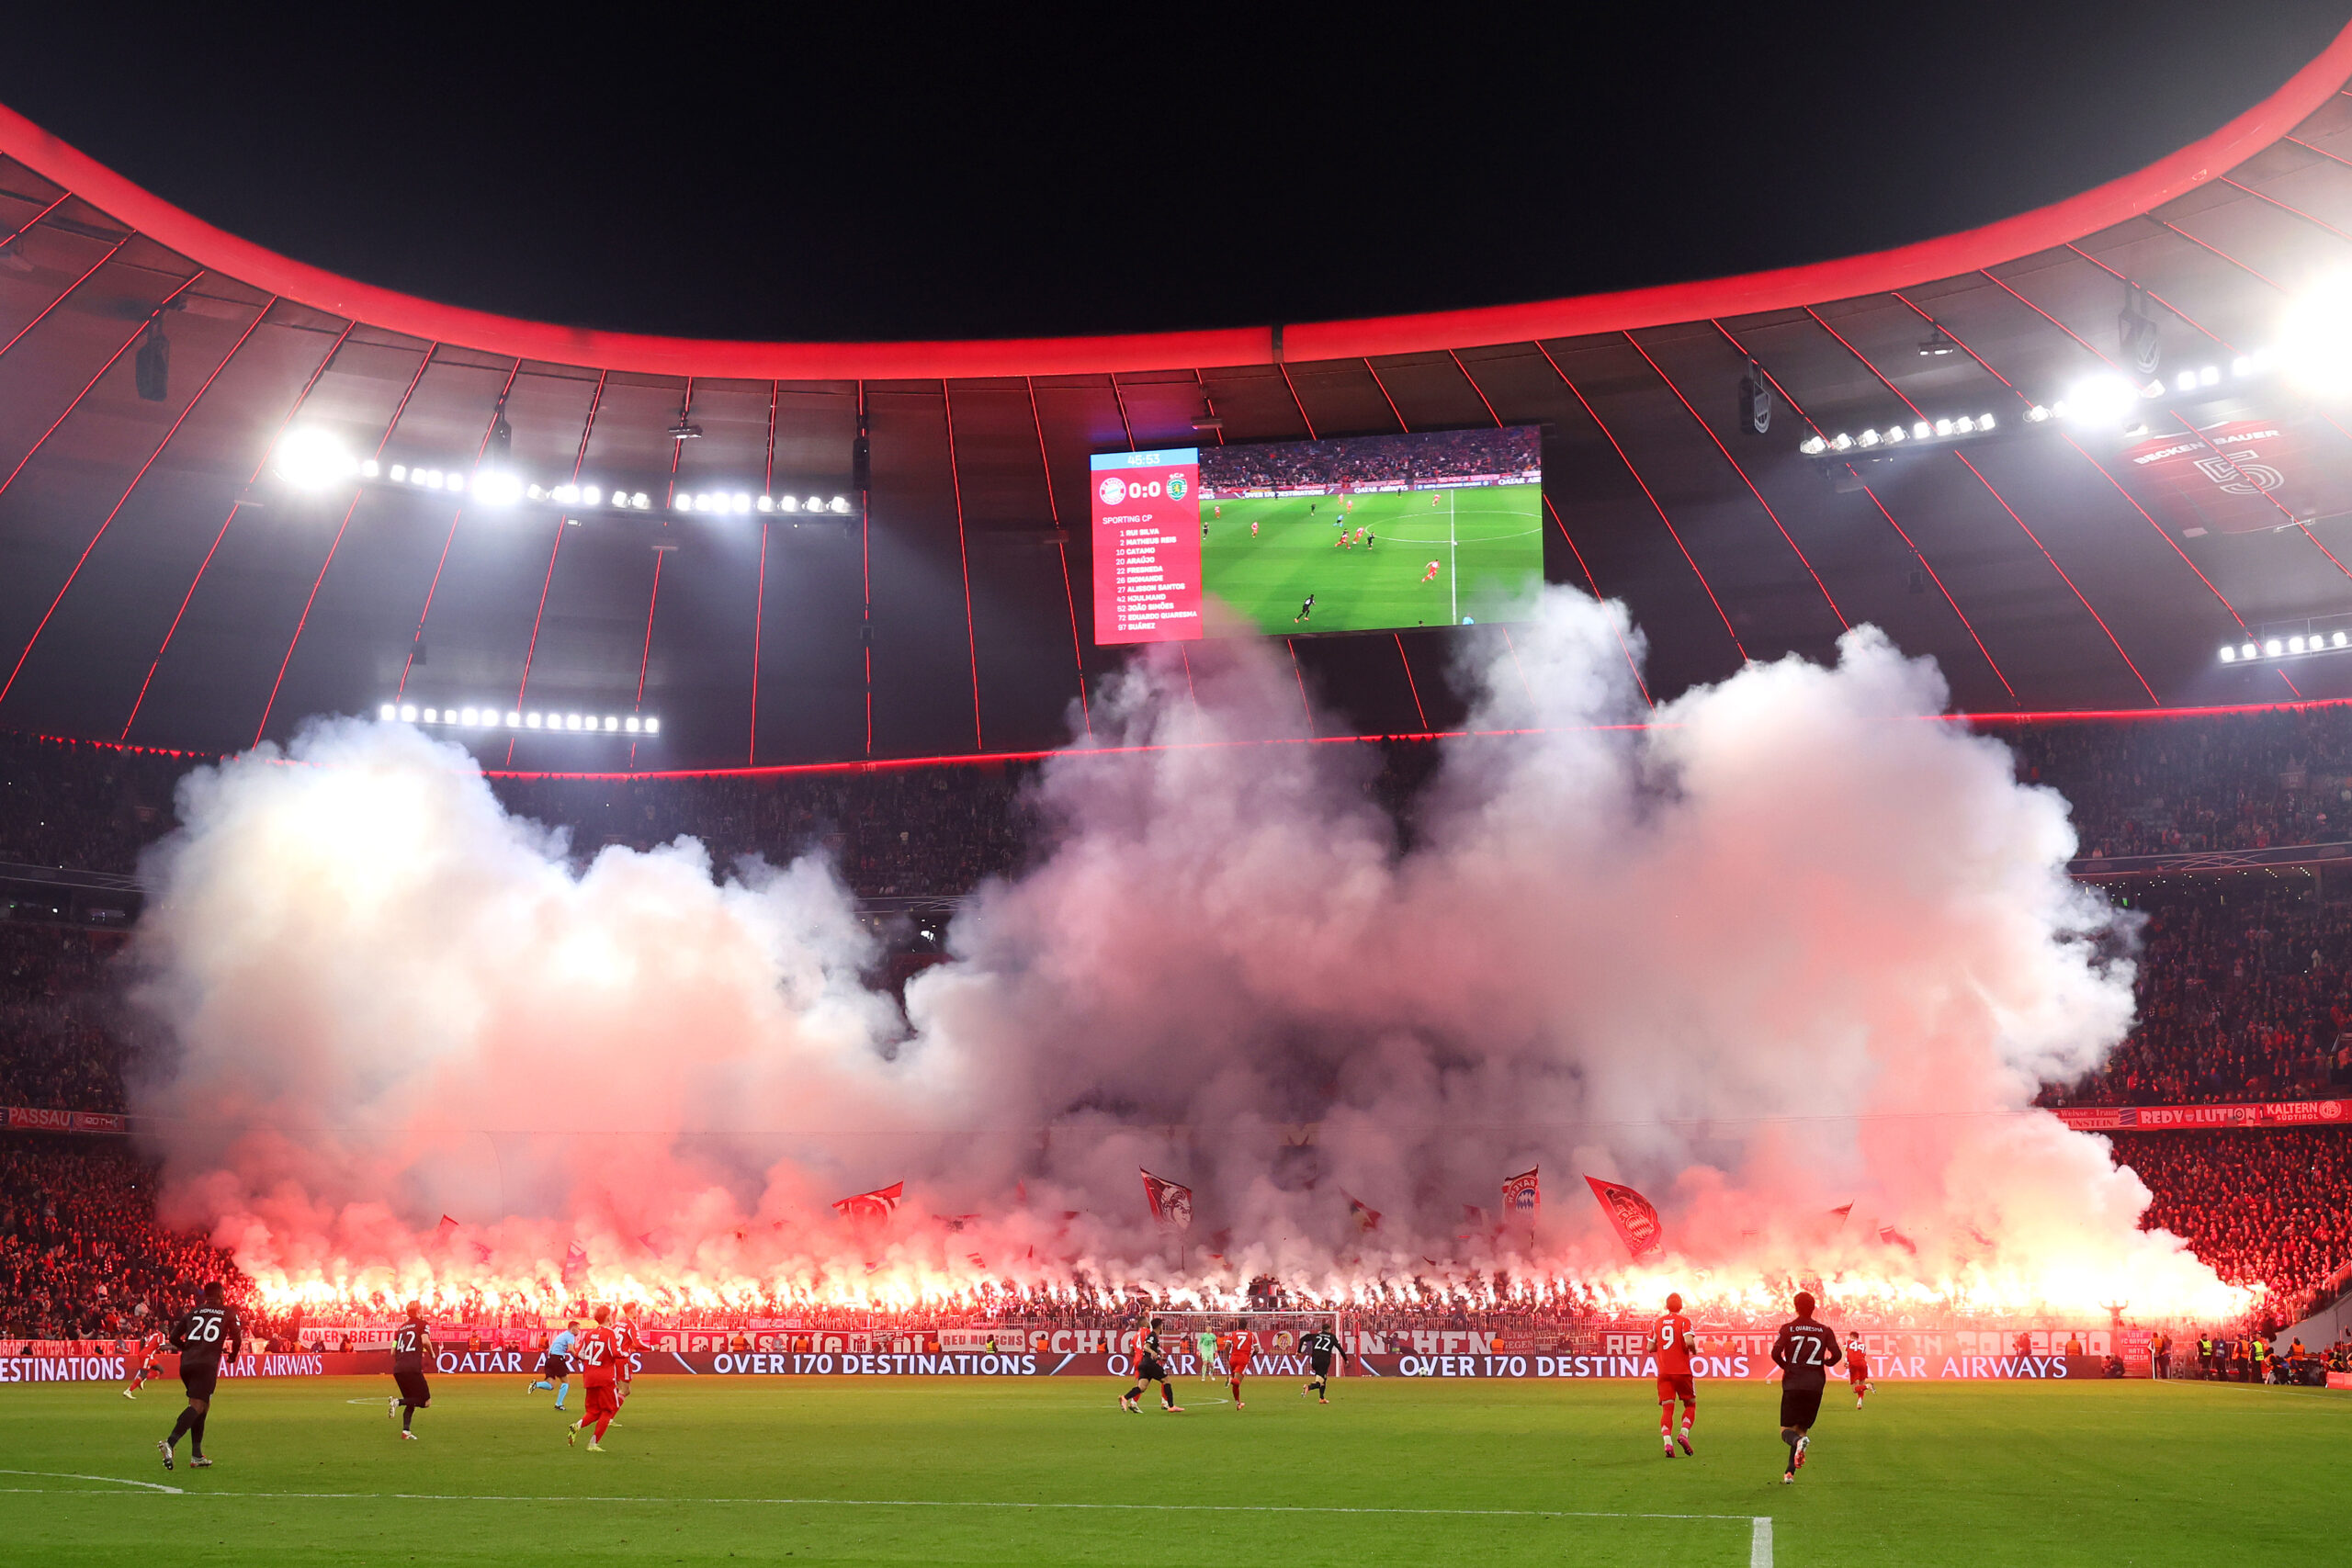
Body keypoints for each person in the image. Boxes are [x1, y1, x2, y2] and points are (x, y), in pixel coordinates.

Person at [157, 1280, 240, 1472]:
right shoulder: (228, 1312)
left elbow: (173, 1337)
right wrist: (233, 1356)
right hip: (206, 1364)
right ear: (221, 1295)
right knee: (197, 1405)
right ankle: (170, 1443)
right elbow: (237, 1338)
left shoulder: (193, 1312)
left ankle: (197, 1455)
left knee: (202, 1406)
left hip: (186, 1364)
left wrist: (188, 1349)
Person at [1770, 1291, 1840, 1485]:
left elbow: (1775, 1353)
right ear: (1814, 1308)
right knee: (1801, 1429)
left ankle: (1796, 1446)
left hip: (1793, 1384)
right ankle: (1789, 1473)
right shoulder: (1825, 1330)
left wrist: (1788, 1367)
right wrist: (1826, 1362)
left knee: (1786, 1430)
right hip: (1815, 1385)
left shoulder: (1788, 1328)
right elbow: (1837, 1355)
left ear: (1795, 1307)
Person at [1647, 1292, 1699, 1457]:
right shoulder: (1684, 1321)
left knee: (1667, 1409)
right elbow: (1689, 1341)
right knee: (1690, 1404)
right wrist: (1694, 1350)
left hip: (1664, 1372)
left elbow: (1649, 1347)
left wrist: (1663, 1348)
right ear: (1681, 1306)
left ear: (1666, 1306)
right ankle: (1683, 1433)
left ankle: (1667, 1443)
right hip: (1682, 1372)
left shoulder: (1658, 1322)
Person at [568, 1305, 621, 1451]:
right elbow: (616, 1353)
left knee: (594, 1411)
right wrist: (627, 1352)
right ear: (608, 1317)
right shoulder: (610, 1333)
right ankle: (593, 1444)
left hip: (590, 1376)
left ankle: (577, 1425)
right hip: (605, 1378)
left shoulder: (589, 1334)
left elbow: (579, 1355)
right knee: (608, 1411)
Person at [387, 1302, 432, 1440]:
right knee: (426, 1402)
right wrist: (432, 1353)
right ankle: (398, 1402)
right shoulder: (423, 1324)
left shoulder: (400, 1329)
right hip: (412, 1368)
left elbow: (393, 1351)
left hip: (399, 1370)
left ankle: (406, 1431)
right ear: (418, 1311)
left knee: (411, 1400)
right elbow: (425, 1341)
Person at [1120, 1316, 1183, 1413]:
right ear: (1159, 1326)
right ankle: (1170, 1405)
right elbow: (1146, 1347)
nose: (1163, 1328)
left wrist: (1159, 1357)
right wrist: (1153, 1352)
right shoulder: (1152, 1335)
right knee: (1166, 1380)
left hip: (1143, 1363)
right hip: (1149, 1364)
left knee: (1141, 1387)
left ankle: (1125, 1398)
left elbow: (1137, 1351)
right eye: (1162, 1325)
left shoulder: (1144, 1335)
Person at [532, 1321, 577, 1410]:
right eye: (578, 1328)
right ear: (573, 1328)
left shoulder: (562, 1335)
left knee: (550, 1385)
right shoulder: (570, 1335)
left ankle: (536, 1384)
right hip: (557, 1359)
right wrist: (578, 1357)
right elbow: (571, 1349)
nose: (579, 1331)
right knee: (566, 1382)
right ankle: (559, 1404)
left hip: (549, 1359)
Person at [1302, 1321, 1344, 1404]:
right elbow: (1339, 1348)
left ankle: (1321, 1398)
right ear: (1329, 1329)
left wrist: (1299, 1351)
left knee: (1323, 1379)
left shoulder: (1316, 1336)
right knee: (1320, 1381)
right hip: (1323, 1361)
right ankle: (1309, 1387)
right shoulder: (1331, 1337)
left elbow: (1304, 1339)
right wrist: (1346, 1359)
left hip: (1315, 1360)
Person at [122, 1327, 168, 1399]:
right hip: (147, 1356)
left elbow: (150, 1343)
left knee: (161, 1370)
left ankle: (141, 1380)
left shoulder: (155, 1335)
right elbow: (162, 1347)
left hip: (149, 1356)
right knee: (143, 1374)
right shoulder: (161, 1335)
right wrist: (173, 1347)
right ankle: (128, 1391)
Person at [1224, 1325, 1255, 1410]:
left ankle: (1238, 1403)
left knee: (1236, 1384)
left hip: (1233, 1358)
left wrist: (1227, 1359)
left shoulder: (1232, 1334)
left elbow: (1226, 1346)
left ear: (1238, 1326)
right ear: (1246, 1326)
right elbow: (1256, 1349)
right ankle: (1230, 1379)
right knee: (1237, 1382)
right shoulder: (1251, 1334)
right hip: (1243, 1360)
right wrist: (1250, 1356)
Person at [1848, 1337, 1871, 1410]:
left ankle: (1868, 1386)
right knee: (1861, 1386)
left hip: (1854, 1365)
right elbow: (1864, 1355)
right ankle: (1859, 1402)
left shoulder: (1848, 1343)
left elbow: (1844, 1352)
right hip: (1863, 1364)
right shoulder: (1862, 1345)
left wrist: (1844, 1362)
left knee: (1855, 1389)